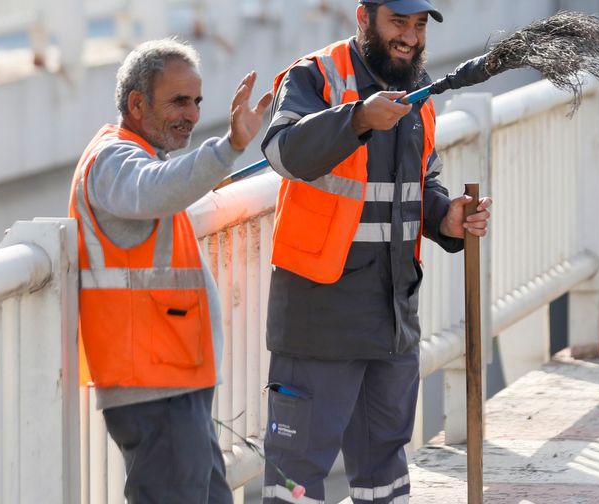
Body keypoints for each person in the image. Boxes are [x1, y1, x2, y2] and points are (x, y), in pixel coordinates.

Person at [260, 1, 492, 502]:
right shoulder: (317, 76)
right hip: (319, 321)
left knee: (385, 473)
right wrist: (358, 118)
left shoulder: (418, 91)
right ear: (364, 18)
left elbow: (416, 187)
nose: (410, 37)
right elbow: (282, 152)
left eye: (419, 25)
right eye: (398, 23)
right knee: (294, 482)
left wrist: (445, 217)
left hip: (391, 322)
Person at [68, 38, 272, 504]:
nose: (193, 114)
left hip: (172, 384)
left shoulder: (133, 157)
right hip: (152, 389)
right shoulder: (112, 160)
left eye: (197, 101)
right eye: (179, 100)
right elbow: (154, 188)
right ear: (136, 104)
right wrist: (231, 146)